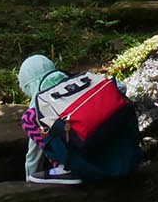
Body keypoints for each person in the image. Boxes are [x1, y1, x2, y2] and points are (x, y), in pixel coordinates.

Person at [17, 54, 142, 184]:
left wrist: (28, 182)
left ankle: (66, 169)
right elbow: (121, 87)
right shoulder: (82, 81)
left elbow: (33, 156)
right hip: (129, 159)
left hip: (91, 168)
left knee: (29, 118)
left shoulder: (42, 106)